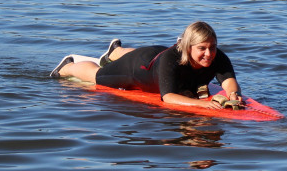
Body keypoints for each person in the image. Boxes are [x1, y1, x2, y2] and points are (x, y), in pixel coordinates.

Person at [50, 21, 243, 110]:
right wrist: (203, 104)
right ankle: (66, 66)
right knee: (99, 76)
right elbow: (168, 97)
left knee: (138, 56)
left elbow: (229, 81)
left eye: (212, 47)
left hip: (155, 56)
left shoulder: (217, 56)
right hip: (139, 68)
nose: (209, 54)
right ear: (187, 47)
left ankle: (114, 52)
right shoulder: (172, 60)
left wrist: (234, 94)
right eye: (202, 48)